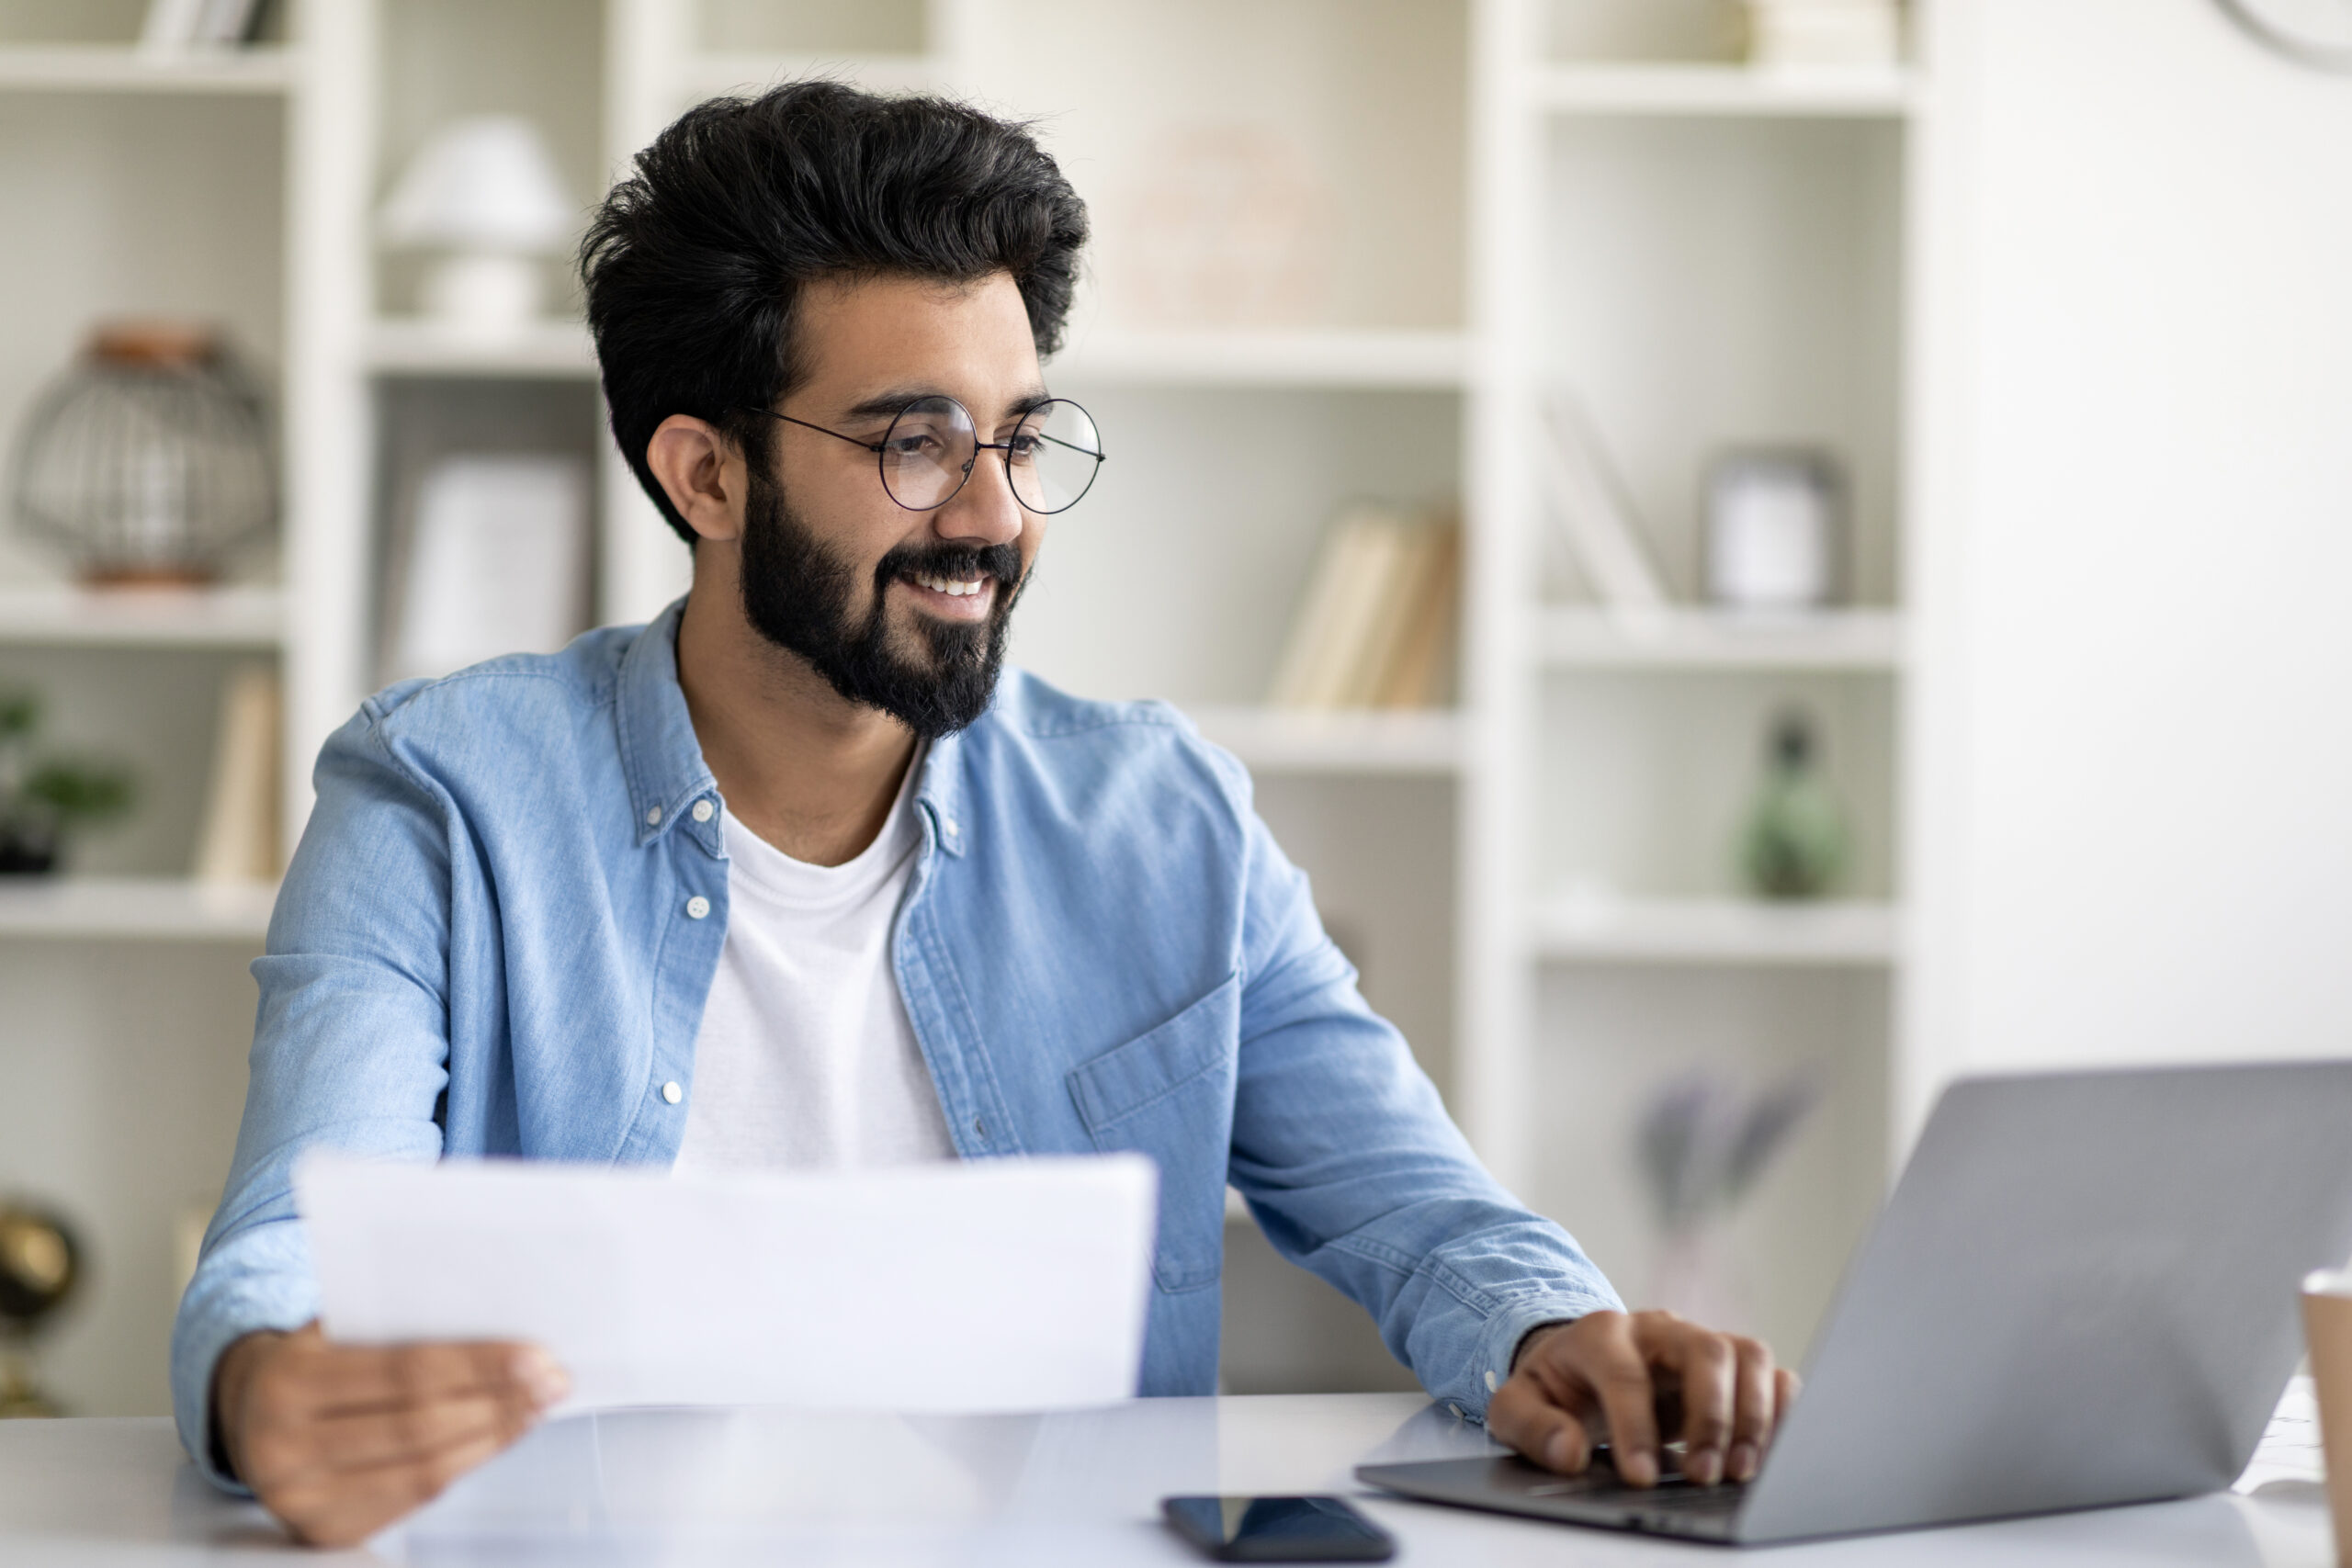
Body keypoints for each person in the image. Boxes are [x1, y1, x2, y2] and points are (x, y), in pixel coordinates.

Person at [171, 81, 1795, 1548]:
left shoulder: (1161, 819)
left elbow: (1422, 1212)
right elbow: (291, 1233)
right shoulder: (441, 800)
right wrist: (268, 1389)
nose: (996, 515)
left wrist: (1557, 1332)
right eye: (914, 443)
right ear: (704, 475)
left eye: (1019, 436)